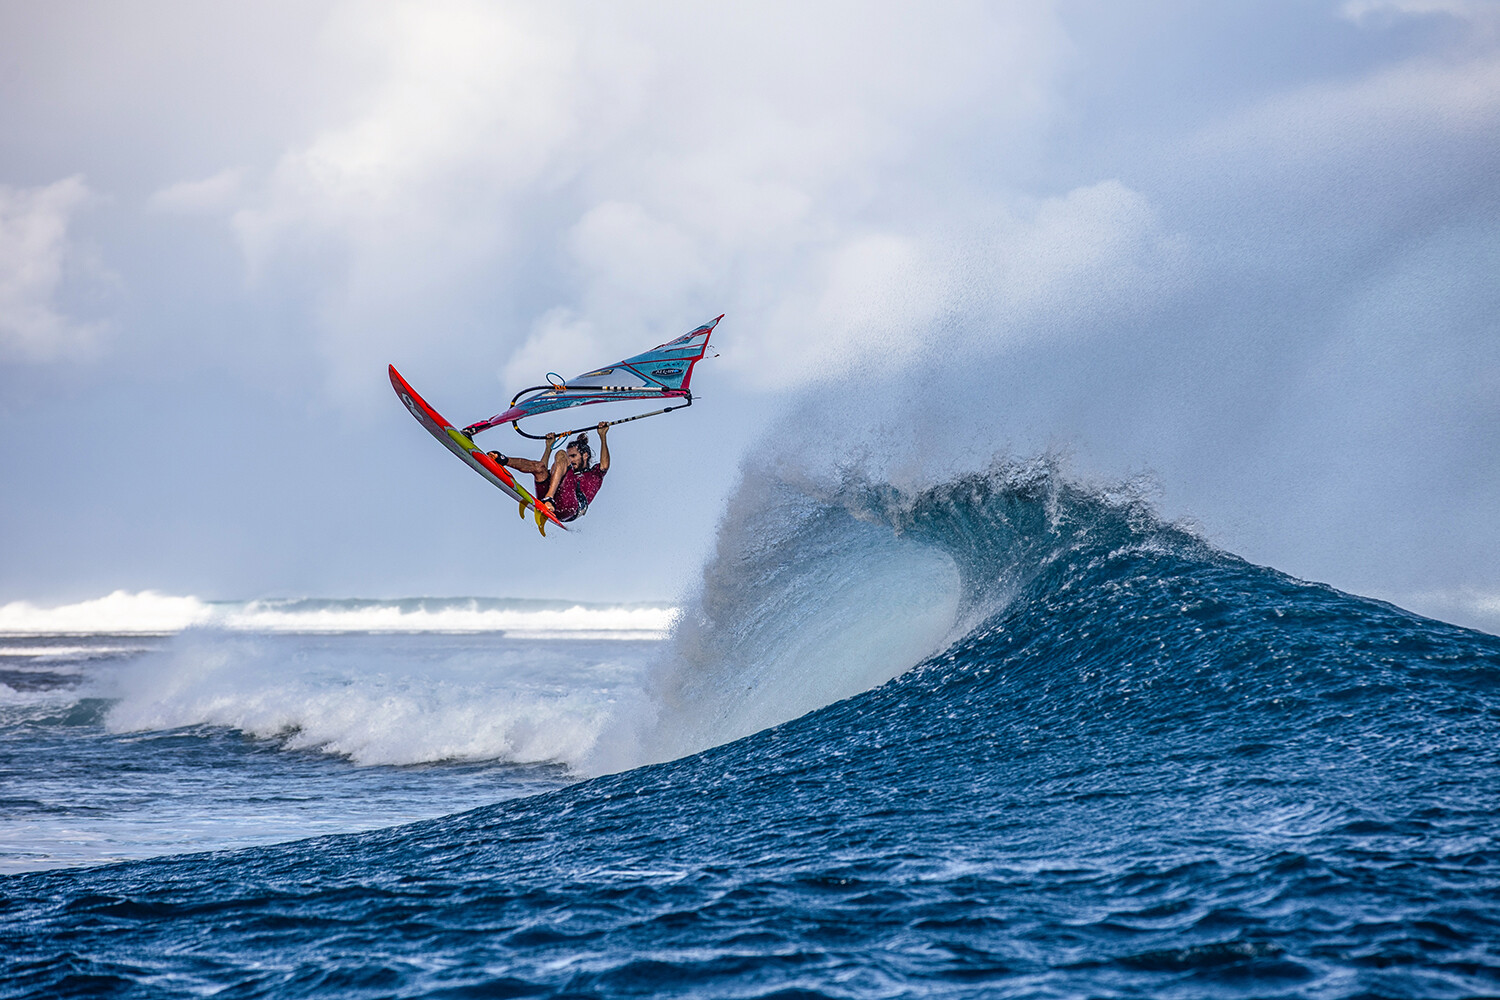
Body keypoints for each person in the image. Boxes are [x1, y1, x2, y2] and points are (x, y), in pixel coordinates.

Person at [486, 422, 610, 523]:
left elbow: (605, 465)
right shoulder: (563, 473)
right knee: (540, 467)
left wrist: (602, 436)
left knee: (560, 454)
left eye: (573, 456)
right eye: (569, 457)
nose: (571, 460)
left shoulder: (595, 473)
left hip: (570, 508)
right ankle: (502, 460)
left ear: (585, 455)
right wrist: (548, 447)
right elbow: (542, 469)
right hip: (551, 501)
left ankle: (549, 498)